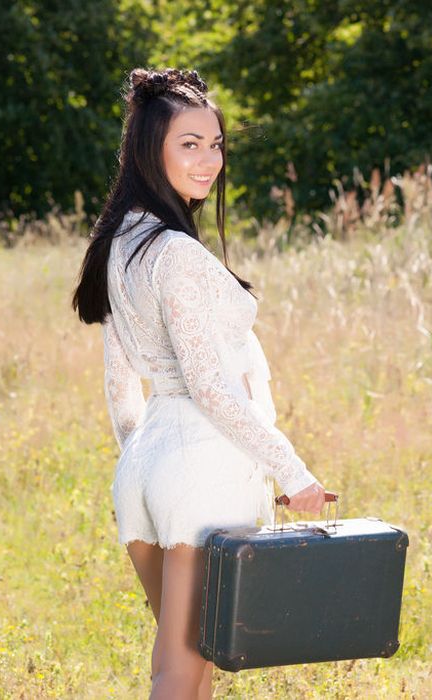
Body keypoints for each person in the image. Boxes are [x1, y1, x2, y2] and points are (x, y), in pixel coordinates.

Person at [71, 67, 328, 699]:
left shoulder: (120, 244)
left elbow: (119, 385)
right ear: (149, 149)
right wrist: (294, 474)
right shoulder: (177, 254)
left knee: (184, 667)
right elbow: (210, 388)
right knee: (184, 675)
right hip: (198, 469)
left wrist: (141, 462)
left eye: (215, 144)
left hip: (144, 473)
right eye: (189, 144)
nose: (209, 160)